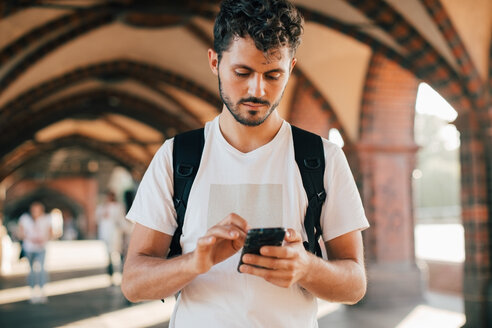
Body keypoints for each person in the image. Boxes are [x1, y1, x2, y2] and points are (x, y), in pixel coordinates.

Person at [122, 0, 370, 326]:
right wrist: (196, 261)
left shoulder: (323, 158)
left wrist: (307, 267)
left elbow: (355, 285)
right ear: (214, 61)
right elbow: (134, 283)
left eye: (273, 75)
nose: (257, 89)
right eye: (242, 72)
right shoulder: (176, 157)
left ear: (291, 68)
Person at [18, 201, 53, 304]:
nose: (35, 212)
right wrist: (30, 238)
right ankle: (32, 292)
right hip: (29, 248)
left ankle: (42, 292)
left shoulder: (46, 219)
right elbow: (20, 232)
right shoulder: (25, 218)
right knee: (31, 270)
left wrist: (44, 240)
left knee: (42, 270)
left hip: (41, 247)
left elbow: (51, 232)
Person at [95, 190, 125, 282]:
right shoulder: (102, 207)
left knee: (119, 253)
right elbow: (97, 219)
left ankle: (122, 273)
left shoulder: (118, 207)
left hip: (115, 234)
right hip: (106, 234)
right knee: (108, 255)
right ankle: (111, 276)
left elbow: (120, 220)